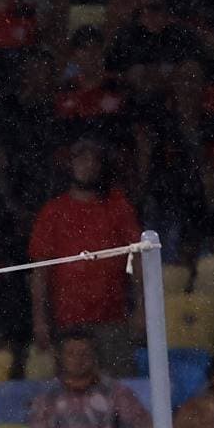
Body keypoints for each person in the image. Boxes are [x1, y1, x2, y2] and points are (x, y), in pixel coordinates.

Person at [27, 138, 144, 374]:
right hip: (69, 323)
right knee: (73, 391)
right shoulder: (52, 211)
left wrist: (142, 308)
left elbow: (138, 258)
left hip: (113, 320)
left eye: (93, 159)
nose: (87, 164)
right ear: (69, 164)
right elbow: (40, 270)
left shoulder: (117, 204)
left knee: (118, 388)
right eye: (81, 158)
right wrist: (39, 320)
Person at [27, 328, 154, 428]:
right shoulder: (46, 399)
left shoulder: (117, 393)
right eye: (71, 354)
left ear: (95, 357)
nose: (78, 359)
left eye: (85, 353)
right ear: (61, 357)